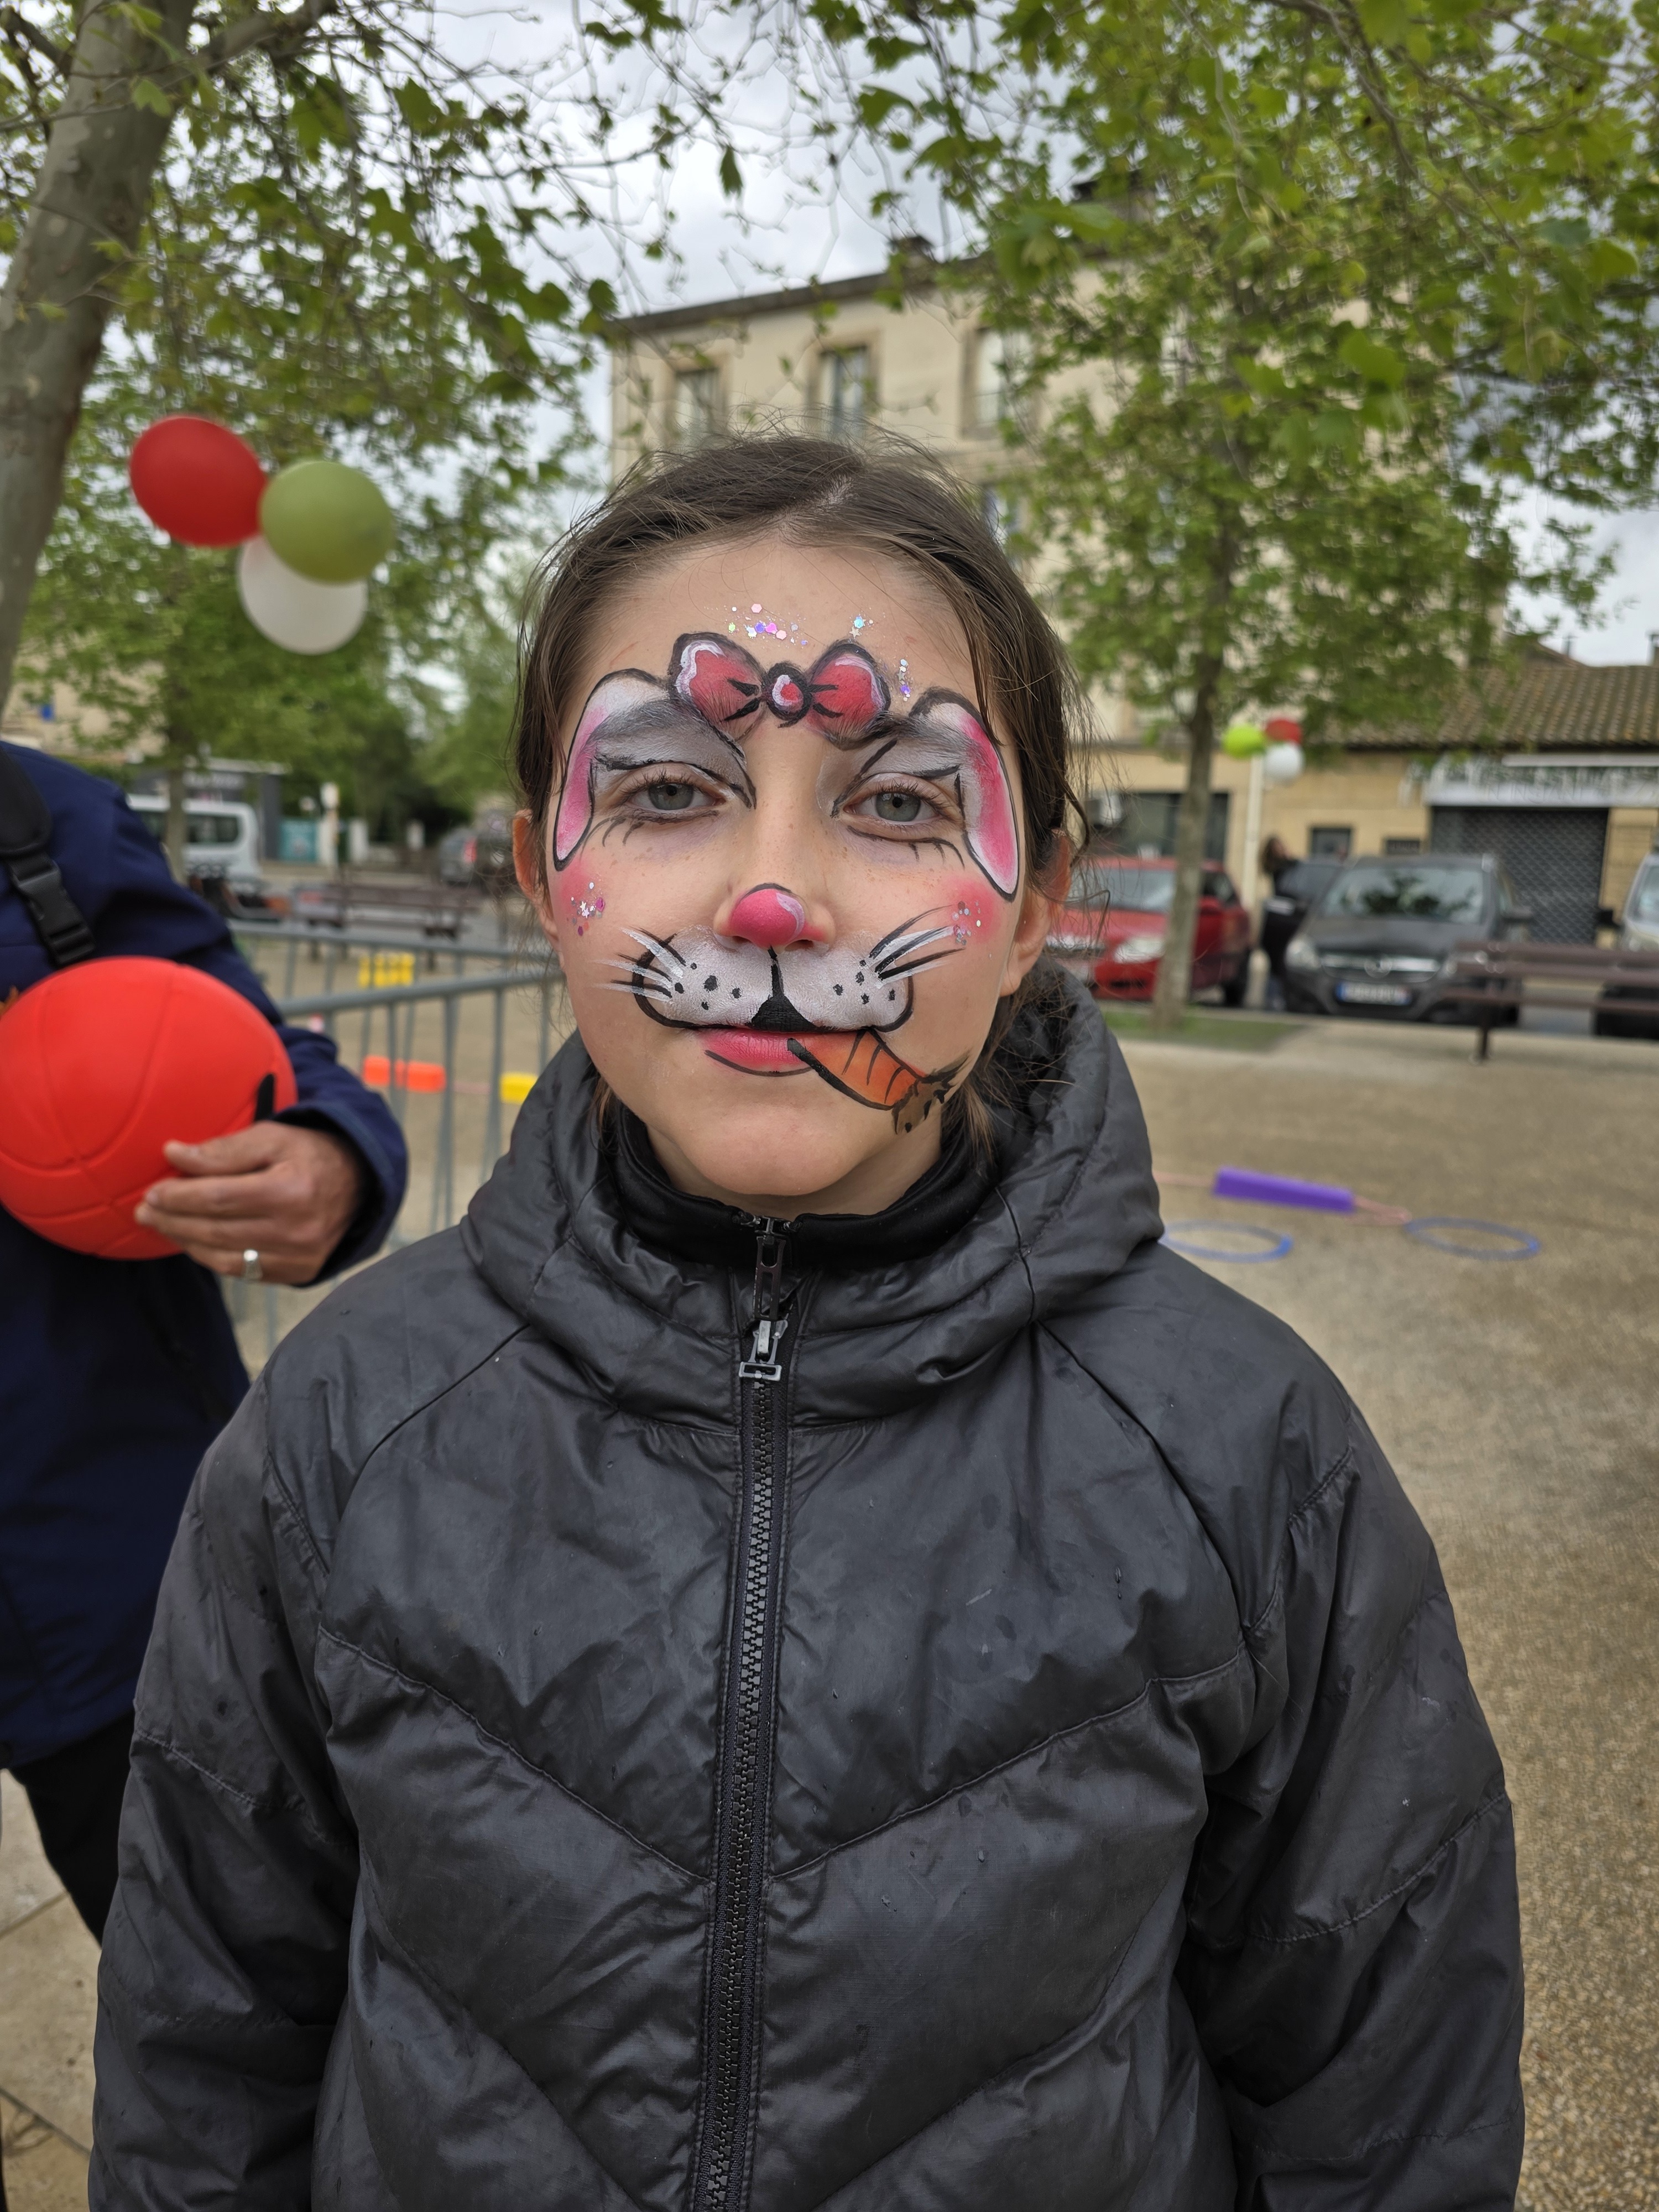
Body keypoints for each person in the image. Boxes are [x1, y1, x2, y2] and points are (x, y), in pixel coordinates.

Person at [91, 439, 1523, 2210]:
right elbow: (205, 2045)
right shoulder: (342, 1425)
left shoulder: (1248, 1456)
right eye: (665, 791)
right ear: (539, 870)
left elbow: (1385, 2100)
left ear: (1038, 905)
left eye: (903, 805)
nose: (775, 901)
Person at [0, 744, 407, 1966]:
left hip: (106, 1562)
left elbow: (257, 1050)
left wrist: (330, 1153)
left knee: (240, 1996)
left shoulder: (36, 820)